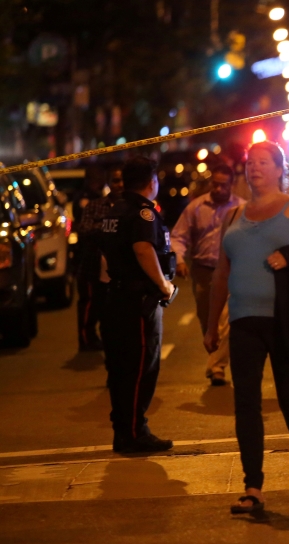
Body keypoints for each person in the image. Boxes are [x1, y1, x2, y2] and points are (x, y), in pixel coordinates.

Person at [204, 141, 289, 513]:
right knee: (245, 403)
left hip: (287, 319)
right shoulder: (234, 216)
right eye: (250, 162)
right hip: (244, 321)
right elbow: (220, 275)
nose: (254, 168)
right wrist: (212, 325)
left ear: (280, 169)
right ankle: (253, 487)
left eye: (263, 162)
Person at [99, 157, 177, 453]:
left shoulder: (114, 209)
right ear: (151, 182)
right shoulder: (142, 212)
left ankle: (124, 431)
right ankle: (134, 433)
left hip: (116, 296)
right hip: (136, 301)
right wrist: (163, 284)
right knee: (139, 368)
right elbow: (143, 249)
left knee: (120, 370)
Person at [170, 163, 244, 386]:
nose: (219, 189)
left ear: (231, 185)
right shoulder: (195, 207)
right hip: (203, 271)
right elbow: (178, 237)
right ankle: (215, 358)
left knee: (226, 320)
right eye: (216, 184)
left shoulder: (242, 209)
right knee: (208, 320)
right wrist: (180, 260)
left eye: (224, 185)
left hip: (232, 272)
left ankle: (217, 366)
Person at [74, 164, 110, 351]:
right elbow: (85, 229)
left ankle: (94, 336)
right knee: (88, 301)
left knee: (100, 302)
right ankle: (86, 338)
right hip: (89, 260)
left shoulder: (104, 199)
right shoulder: (87, 201)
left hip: (105, 264)